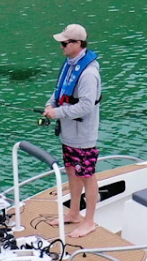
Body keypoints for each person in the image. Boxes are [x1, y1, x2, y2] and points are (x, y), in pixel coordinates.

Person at [42, 24, 102, 238]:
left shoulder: (88, 74)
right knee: (71, 171)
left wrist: (57, 113)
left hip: (83, 136)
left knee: (87, 176)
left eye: (65, 43)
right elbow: (60, 90)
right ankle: (74, 213)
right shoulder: (70, 65)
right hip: (68, 134)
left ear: (78, 43)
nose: (61, 46)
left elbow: (86, 106)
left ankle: (89, 221)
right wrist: (50, 105)